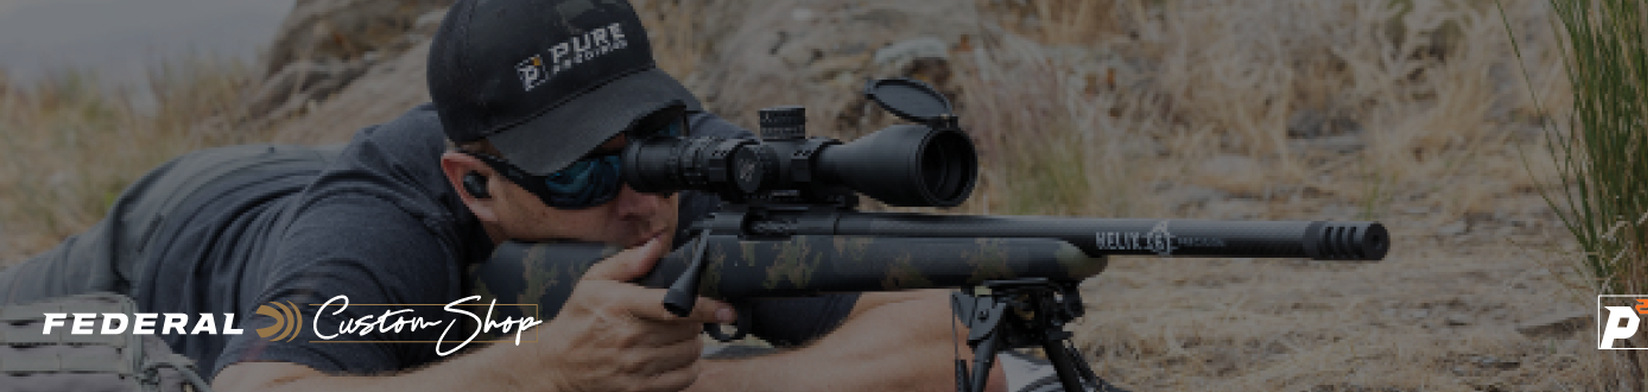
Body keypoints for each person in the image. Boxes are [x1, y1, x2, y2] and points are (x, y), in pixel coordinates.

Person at [0, 1, 1008, 391]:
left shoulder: (684, 170)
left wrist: (704, 382)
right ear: (473, 181)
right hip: (179, 229)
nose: (633, 197)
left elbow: (961, 339)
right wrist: (548, 369)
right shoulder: (374, 223)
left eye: (649, 140)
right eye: (577, 168)